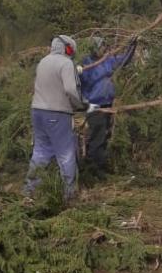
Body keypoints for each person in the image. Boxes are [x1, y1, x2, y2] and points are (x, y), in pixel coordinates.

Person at [24, 35, 88, 201]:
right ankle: (69, 194)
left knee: (40, 152)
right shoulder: (66, 63)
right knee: (66, 154)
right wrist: (81, 104)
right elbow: (71, 90)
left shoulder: (43, 62)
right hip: (57, 113)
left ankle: (30, 191)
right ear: (68, 48)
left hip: (37, 112)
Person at [79, 35, 137, 172]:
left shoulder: (108, 61)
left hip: (107, 104)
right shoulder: (86, 64)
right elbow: (77, 84)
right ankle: (94, 168)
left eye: (104, 46)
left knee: (105, 135)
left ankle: (101, 165)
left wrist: (132, 45)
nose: (104, 49)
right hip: (94, 106)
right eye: (101, 47)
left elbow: (124, 60)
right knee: (97, 136)